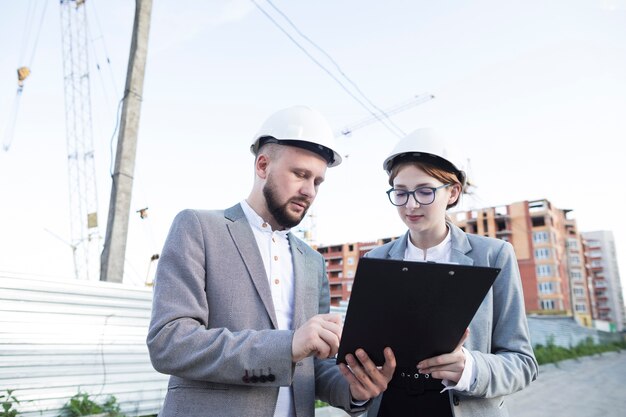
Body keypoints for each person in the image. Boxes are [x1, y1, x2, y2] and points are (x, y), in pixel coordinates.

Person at [147, 105, 396, 417]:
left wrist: (354, 390)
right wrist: (288, 345)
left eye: (318, 181)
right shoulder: (198, 228)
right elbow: (170, 343)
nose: (309, 191)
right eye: (300, 174)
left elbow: (313, 366)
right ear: (262, 165)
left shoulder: (312, 261)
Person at [363, 128, 538, 417]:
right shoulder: (376, 259)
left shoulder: (493, 256)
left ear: (453, 192)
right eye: (401, 193)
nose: (411, 204)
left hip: (459, 405)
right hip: (390, 407)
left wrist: (470, 368)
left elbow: (522, 363)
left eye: (425, 191)